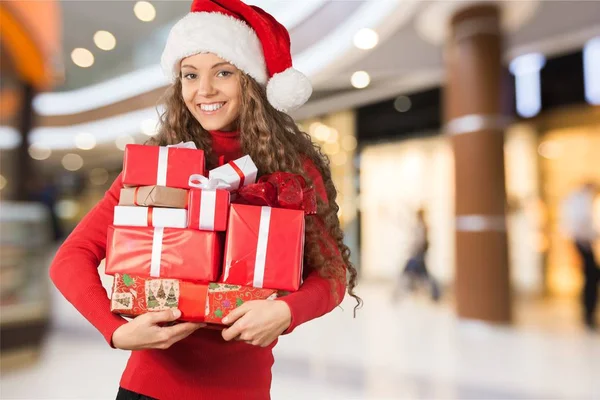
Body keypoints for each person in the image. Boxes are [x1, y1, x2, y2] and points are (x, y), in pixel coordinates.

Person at [49, 1, 362, 399]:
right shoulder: (157, 169)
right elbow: (70, 257)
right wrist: (115, 330)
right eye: (190, 75)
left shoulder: (292, 171)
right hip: (149, 388)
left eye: (224, 72)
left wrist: (286, 311)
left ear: (250, 79)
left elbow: (333, 273)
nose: (204, 90)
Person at [560, 181, 599, 330]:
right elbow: (582, 224)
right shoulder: (580, 201)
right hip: (581, 243)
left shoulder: (579, 200)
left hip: (582, 243)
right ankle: (588, 314)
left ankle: (589, 312)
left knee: (591, 277)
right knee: (591, 278)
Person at [392, 208, 440, 302]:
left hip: (417, 256)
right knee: (418, 275)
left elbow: (419, 242)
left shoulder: (422, 227)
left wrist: (414, 251)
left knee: (417, 275)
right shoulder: (421, 226)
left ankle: (397, 295)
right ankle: (397, 295)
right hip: (417, 255)